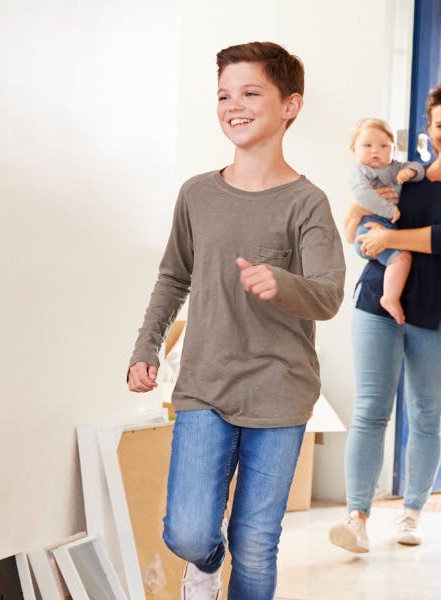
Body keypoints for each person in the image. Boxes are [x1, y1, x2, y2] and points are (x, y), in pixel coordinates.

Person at [125, 41, 344, 600]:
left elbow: (327, 295)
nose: (233, 104)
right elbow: (174, 277)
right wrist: (146, 347)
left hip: (280, 392)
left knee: (256, 544)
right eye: (224, 94)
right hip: (206, 384)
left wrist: (282, 284)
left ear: (290, 105)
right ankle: (205, 565)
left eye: (251, 92)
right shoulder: (197, 194)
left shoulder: (307, 203)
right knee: (189, 531)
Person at [327, 82, 441, 553]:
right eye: (440, 125)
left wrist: (391, 240)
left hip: (438, 307)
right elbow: (355, 221)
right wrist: (361, 224)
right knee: (369, 411)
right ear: (428, 128)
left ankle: (412, 514)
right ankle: (357, 517)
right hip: (376, 302)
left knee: (425, 415)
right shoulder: (408, 177)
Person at [344, 118, 425, 324]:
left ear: (393, 148)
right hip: (367, 229)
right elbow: (364, 197)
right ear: (353, 149)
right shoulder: (359, 172)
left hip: (386, 227)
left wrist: (412, 172)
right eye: (367, 145)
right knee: (402, 258)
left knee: (400, 257)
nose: (375, 151)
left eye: (383, 146)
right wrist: (388, 210)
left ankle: (390, 295)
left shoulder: (394, 168)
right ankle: (389, 297)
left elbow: (418, 167)